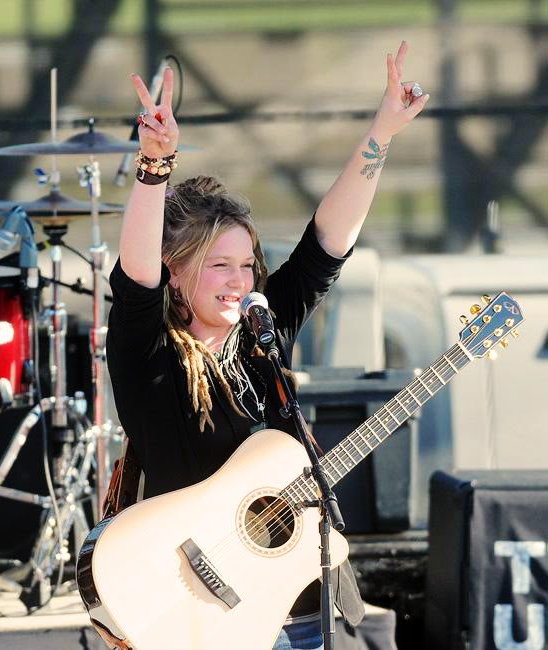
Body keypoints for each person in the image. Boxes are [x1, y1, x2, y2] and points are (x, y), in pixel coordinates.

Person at [106, 41, 428, 650]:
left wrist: (383, 131)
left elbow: (329, 240)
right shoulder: (150, 353)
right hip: (203, 616)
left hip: (300, 608)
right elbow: (136, 278)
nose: (239, 280)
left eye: (246, 264)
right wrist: (154, 165)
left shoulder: (263, 330)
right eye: (218, 265)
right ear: (176, 272)